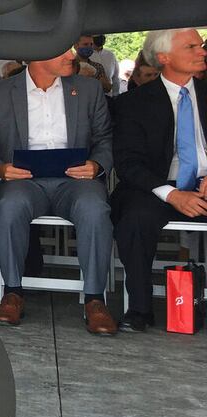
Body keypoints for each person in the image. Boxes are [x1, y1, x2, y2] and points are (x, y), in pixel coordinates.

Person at [0, 47, 117, 335]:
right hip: (23, 181)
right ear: (37, 54)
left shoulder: (88, 89)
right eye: (64, 51)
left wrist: (97, 164)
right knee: (9, 206)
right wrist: (0, 169)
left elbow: (105, 139)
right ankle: (12, 291)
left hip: (76, 181)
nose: (72, 57)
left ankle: (94, 300)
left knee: (95, 209)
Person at [111, 28, 207, 332]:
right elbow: (127, 163)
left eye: (201, 45)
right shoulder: (134, 103)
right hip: (156, 186)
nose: (202, 51)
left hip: (203, 184)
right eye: (191, 46)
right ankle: (139, 308)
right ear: (163, 57)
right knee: (135, 218)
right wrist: (172, 194)